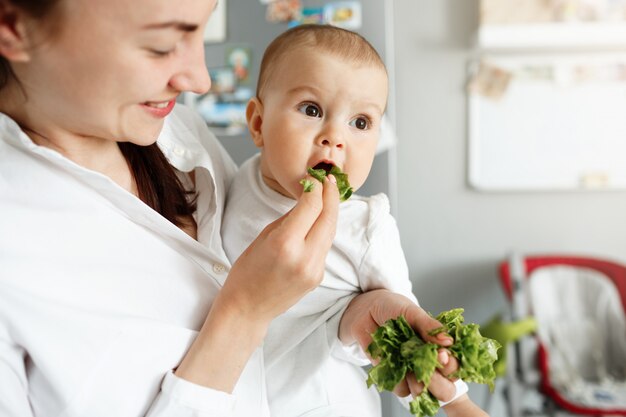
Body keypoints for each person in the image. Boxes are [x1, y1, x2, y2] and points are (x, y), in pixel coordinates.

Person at [0, 0, 479, 416]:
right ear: (15, 26)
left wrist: (356, 316)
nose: (200, 79)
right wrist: (243, 311)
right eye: (163, 44)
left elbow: (295, 326)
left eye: (202, 31)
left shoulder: (182, 137)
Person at [222, 25, 489, 417]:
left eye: (360, 122)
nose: (334, 137)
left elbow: (406, 323)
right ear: (259, 124)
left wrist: (458, 402)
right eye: (311, 110)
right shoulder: (236, 180)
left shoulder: (366, 226)